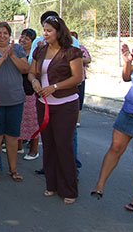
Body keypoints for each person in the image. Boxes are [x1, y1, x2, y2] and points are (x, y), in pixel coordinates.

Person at [91, 35, 133, 212]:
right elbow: (127, 77)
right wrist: (127, 62)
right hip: (128, 110)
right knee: (115, 148)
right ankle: (99, 185)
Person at [28, 16, 82, 204]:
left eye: (49, 30)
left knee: (63, 146)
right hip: (44, 104)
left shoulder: (72, 52)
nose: (45, 33)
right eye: (44, 29)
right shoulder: (40, 50)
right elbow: (31, 72)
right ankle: (51, 185)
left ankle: (69, 190)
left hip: (65, 104)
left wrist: (55, 87)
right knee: (49, 144)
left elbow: (78, 77)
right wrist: (34, 81)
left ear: (59, 32)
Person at [0, 22, 29, 183]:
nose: (2, 36)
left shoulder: (17, 50)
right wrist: (3, 57)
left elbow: (25, 69)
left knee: (12, 136)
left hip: (15, 99)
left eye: (5, 33)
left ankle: (13, 170)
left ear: (10, 35)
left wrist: (12, 56)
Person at [17, 28, 40, 160]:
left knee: (32, 122)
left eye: (27, 38)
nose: (23, 39)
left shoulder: (34, 55)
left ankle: (33, 150)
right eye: (22, 36)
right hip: (17, 92)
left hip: (30, 92)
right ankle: (19, 147)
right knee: (19, 122)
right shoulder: (16, 52)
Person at [70, 31, 91, 127]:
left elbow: (88, 59)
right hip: (68, 79)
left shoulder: (81, 49)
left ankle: (77, 121)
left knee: (79, 99)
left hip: (80, 79)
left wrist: (78, 60)